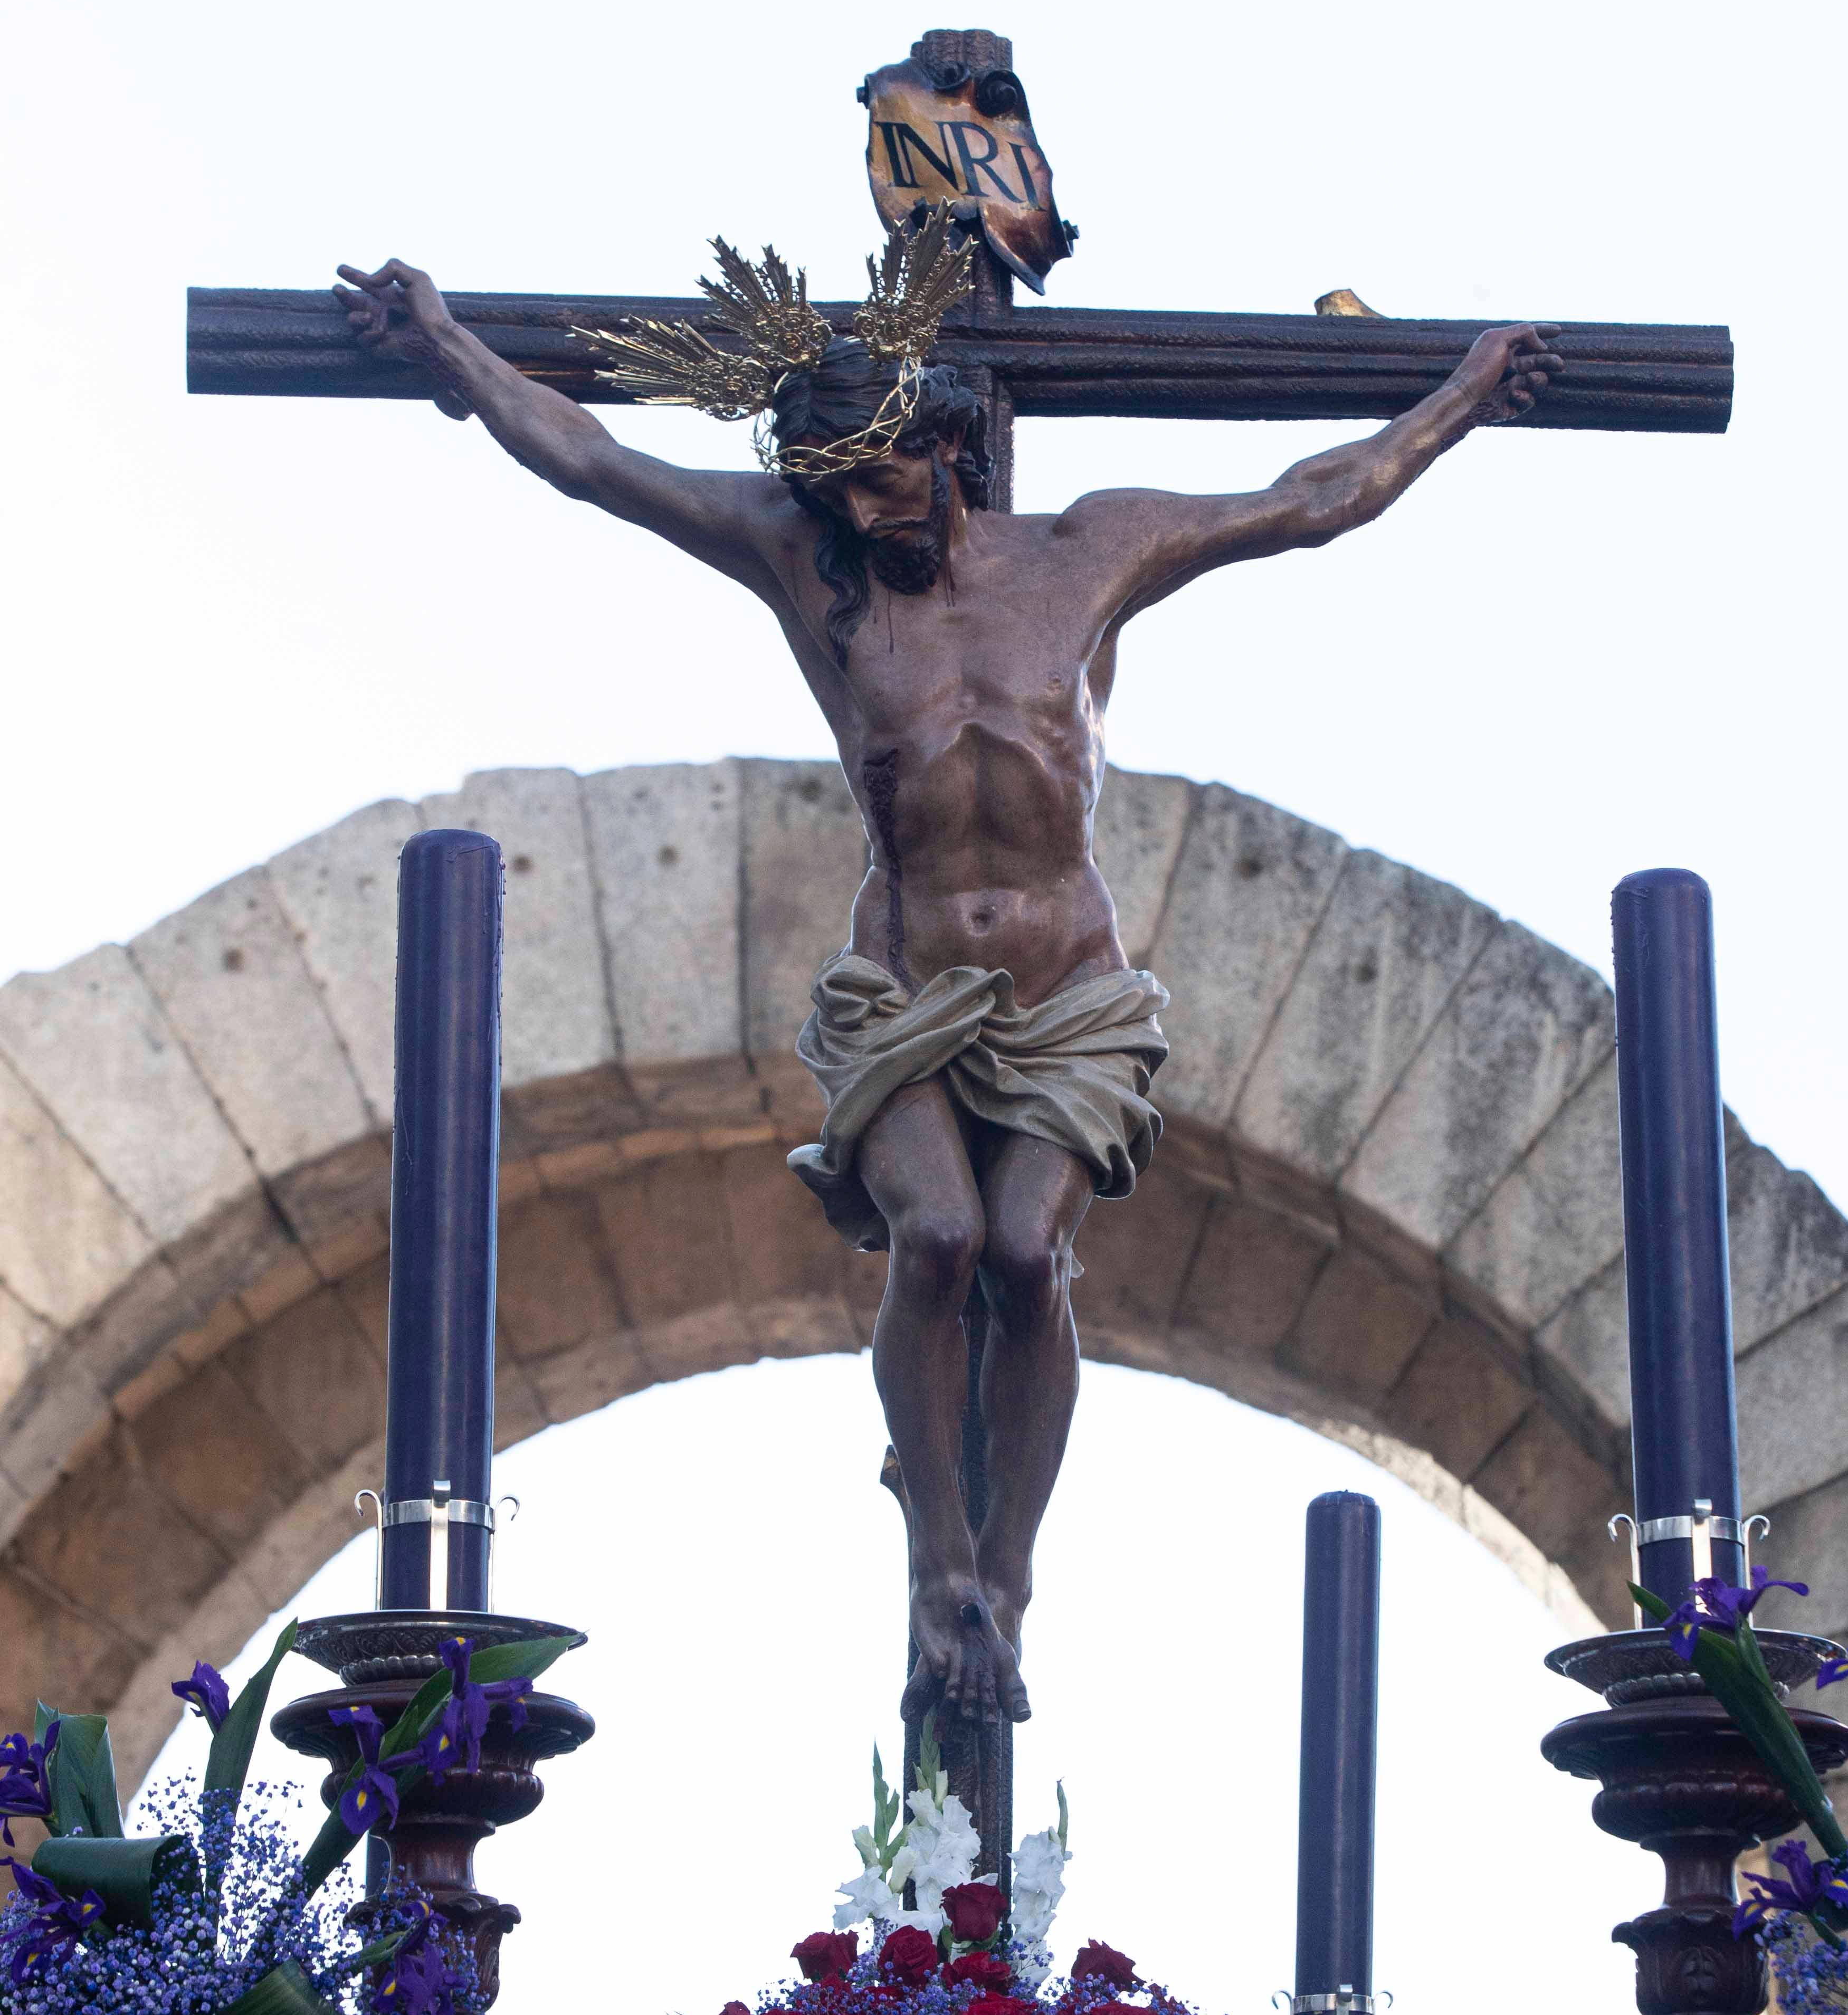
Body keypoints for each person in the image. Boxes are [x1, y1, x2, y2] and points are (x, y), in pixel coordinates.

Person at [335, 221, 1559, 1730]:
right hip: (904, 983)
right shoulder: (807, 563)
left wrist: (1458, 401)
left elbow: (1306, 504)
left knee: (1031, 1255)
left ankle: (1010, 1577)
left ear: (947, 447)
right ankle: (937, 1560)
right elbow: (595, 462)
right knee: (936, 1238)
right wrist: (449, 348)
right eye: (835, 484)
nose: (862, 506)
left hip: (1066, 988)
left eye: (883, 473)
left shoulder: (1087, 552)